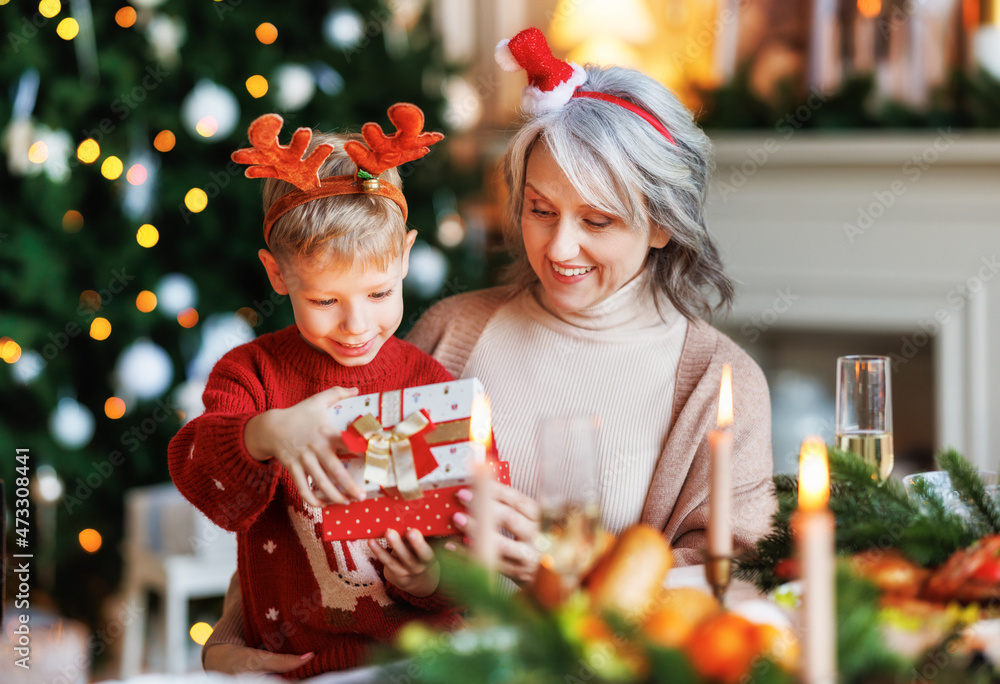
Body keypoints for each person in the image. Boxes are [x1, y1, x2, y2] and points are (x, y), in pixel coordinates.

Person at [203, 27, 776, 675]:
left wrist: (570, 573)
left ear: (663, 224)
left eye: (597, 221)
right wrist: (225, 640)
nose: (560, 249)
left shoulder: (716, 382)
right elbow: (306, 514)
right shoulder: (450, 334)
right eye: (539, 209)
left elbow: (741, 596)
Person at [168, 105, 459, 679]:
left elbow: (472, 537)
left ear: (405, 256)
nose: (356, 325)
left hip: (414, 666)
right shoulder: (252, 373)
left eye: (378, 294)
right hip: (288, 668)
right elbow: (201, 474)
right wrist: (265, 434)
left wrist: (430, 580)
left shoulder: (430, 385)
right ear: (279, 276)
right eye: (325, 301)